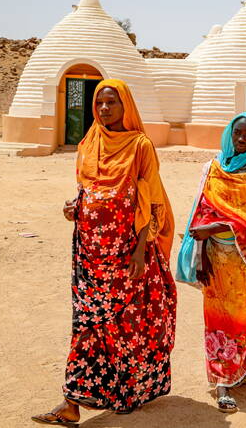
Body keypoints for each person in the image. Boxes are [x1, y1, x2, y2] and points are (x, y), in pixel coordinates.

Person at [32, 79, 176, 426]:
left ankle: (129, 392)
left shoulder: (140, 146)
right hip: (88, 253)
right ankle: (72, 403)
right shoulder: (88, 143)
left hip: (126, 254)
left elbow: (149, 201)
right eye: (99, 103)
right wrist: (74, 209)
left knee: (125, 326)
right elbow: (85, 192)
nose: (105, 109)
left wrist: (140, 251)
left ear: (126, 106)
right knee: (86, 324)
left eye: (112, 102)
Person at [176, 112, 246, 413]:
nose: (241, 139)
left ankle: (241, 368)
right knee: (218, 320)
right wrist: (202, 252)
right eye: (237, 133)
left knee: (243, 318)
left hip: (245, 262)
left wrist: (214, 228)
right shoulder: (215, 168)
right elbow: (204, 211)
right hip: (215, 259)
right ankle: (221, 381)